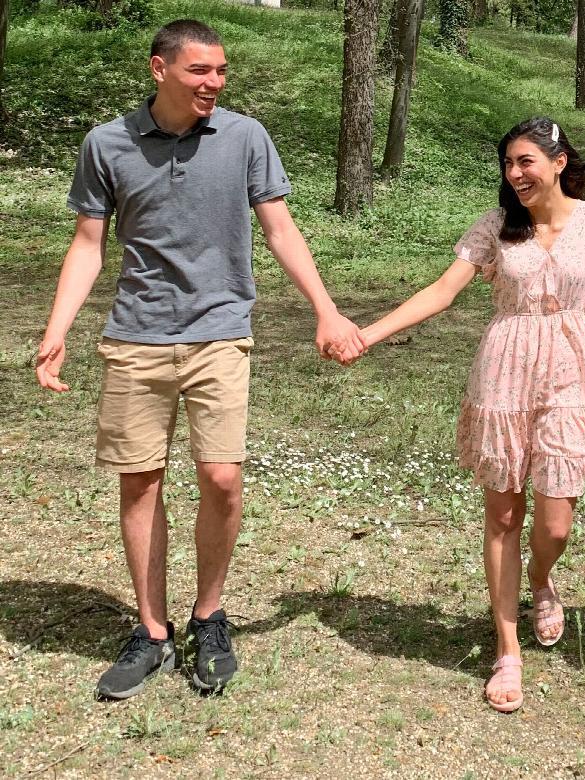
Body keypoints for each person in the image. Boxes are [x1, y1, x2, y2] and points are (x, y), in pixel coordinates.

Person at [34, 20, 365, 700]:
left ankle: (208, 617)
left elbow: (280, 228)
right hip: (137, 337)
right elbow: (88, 243)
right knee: (140, 483)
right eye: (199, 70)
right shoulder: (107, 143)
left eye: (220, 70)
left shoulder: (245, 137)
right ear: (160, 69)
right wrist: (57, 329)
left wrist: (327, 310)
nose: (214, 82)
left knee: (221, 478)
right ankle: (152, 632)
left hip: (220, 332)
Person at [357, 117, 585, 713]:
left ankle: (541, 579)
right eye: (508, 164)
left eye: (526, 161)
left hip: (572, 373)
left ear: (558, 162)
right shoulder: (496, 227)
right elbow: (441, 292)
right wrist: (367, 335)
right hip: (504, 372)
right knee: (502, 514)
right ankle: (507, 650)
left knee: (555, 524)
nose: (515, 173)